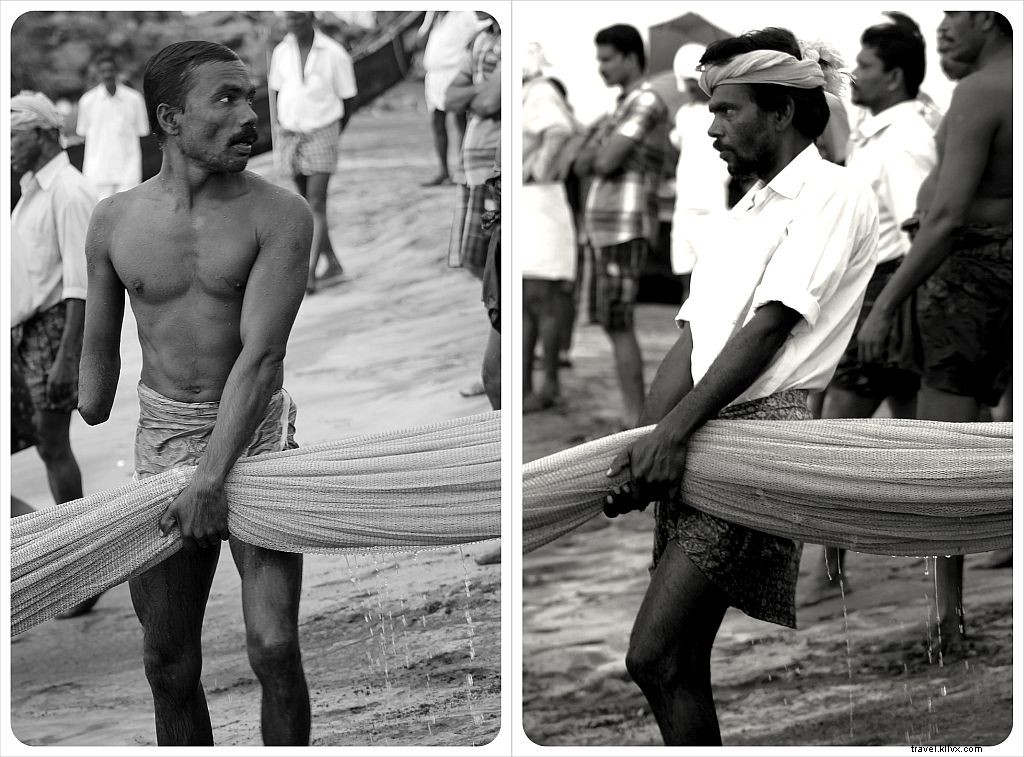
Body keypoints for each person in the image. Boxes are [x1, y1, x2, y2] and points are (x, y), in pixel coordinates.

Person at [603, 28, 879, 744]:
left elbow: (772, 327)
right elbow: (691, 341)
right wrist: (638, 442)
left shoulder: (833, 191)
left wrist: (671, 433)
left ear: (782, 112)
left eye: (727, 110)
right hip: (696, 433)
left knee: (654, 653)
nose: (711, 125)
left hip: (759, 436)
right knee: (680, 658)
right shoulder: (742, 214)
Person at [78, 41, 314, 746]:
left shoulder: (281, 215)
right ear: (171, 120)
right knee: (168, 662)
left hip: (258, 440)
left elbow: (262, 357)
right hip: (162, 445)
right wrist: (75, 384)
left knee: (273, 646)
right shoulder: (114, 221)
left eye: (251, 97)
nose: (250, 115)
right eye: (227, 99)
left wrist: (212, 477)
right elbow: (93, 383)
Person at [858, 11, 1012, 653]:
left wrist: (887, 303)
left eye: (954, 17)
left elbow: (946, 215)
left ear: (988, 18)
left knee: (943, 458)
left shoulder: (982, 91)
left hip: (968, 278)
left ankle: (947, 625)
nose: (943, 29)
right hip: (992, 272)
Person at [802, 12, 938, 607]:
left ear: (897, 75)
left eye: (869, 66)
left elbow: (921, 228)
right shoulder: (885, 128)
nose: (857, 74)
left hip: (888, 291)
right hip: (887, 292)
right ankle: (934, 557)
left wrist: (890, 309)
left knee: (835, 434)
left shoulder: (903, 138)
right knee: (915, 433)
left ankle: (829, 572)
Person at [11, 92, 99, 618]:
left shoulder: (68, 190)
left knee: (54, 447)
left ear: (43, 135)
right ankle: (63, 556)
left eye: (14, 137)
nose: (7, 148)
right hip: (30, 334)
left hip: (53, 334)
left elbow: (81, 285)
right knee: (46, 447)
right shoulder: (30, 190)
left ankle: (82, 570)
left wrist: (70, 358)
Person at [573, 24, 668, 430]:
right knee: (614, 324)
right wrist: (599, 152)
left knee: (619, 322)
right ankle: (632, 417)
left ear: (631, 57)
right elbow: (580, 161)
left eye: (608, 59)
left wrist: (600, 151)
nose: (601, 68)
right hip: (608, 224)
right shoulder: (622, 104)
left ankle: (634, 420)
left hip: (623, 224)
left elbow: (605, 160)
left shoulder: (645, 101)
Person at [269, 10, 356, 294]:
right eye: (288, 19)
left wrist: (331, 134)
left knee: (315, 203)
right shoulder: (281, 51)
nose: (292, 24)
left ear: (311, 18)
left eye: (298, 18)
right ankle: (332, 262)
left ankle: (308, 272)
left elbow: (349, 98)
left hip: (323, 132)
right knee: (305, 202)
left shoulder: (334, 53)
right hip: (291, 133)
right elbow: (276, 91)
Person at [522, 47, 581, 413]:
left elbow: (560, 130)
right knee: (532, 302)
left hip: (539, 202)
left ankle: (545, 388)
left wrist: (539, 168)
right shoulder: (530, 92)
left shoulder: (539, 91)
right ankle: (534, 386)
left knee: (539, 301)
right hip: (533, 204)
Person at [445, 13, 500, 399]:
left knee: (492, 270)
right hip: (473, 163)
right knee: (474, 261)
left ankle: (497, 364)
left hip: (493, 170)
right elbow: (449, 98)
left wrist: (480, 93)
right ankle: (496, 361)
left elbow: (491, 101)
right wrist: (481, 91)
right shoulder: (481, 37)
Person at [667, 43, 729, 293]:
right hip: (683, 207)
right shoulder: (683, 114)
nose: (693, 90)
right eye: (689, 85)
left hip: (712, 208)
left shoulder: (723, 113)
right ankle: (687, 331)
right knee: (685, 277)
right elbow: (675, 145)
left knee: (711, 283)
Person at [415, 10, 482, 186]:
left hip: (454, 72)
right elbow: (418, 42)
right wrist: (430, 20)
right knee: (437, 122)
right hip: (433, 76)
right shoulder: (433, 15)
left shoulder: (464, 14)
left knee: (460, 120)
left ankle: (462, 170)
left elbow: (484, 27)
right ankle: (444, 171)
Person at [75, 53, 150, 199]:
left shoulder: (134, 99)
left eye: (110, 70)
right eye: (103, 71)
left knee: (127, 216)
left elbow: (143, 132)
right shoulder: (87, 101)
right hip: (98, 172)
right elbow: (82, 132)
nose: (107, 74)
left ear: (117, 71)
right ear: (98, 74)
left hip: (128, 171)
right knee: (99, 216)